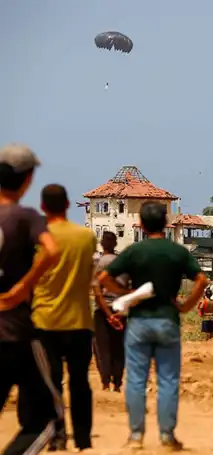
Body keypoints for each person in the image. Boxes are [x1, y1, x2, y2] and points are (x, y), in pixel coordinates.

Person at [98, 202, 208, 450]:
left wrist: (127, 294)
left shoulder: (134, 251)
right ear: (166, 223)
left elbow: (104, 278)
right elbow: (201, 280)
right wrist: (186, 305)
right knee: (168, 380)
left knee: (136, 379)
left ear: (141, 225)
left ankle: (136, 436)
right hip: (168, 320)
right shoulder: (177, 252)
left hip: (139, 321)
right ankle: (167, 436)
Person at [0, 143, 63, 455]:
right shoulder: (25, 217)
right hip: (15, 331)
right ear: (27, 179)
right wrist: (23, 287)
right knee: (47, 419)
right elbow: (51, 250)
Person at [31, 184, 97, 451]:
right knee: (80, 382)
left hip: (45, 320)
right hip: (80, 320)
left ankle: (57, 435)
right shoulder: (86, 236)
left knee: (52, 384)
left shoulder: (38, 237)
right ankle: (83, 439)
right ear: (68, 205)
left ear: (42, 207)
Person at [92, 232, 128, 393]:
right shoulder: (124, 264)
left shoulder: (98, 262)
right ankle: (117, 383)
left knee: (102, 348)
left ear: (102, 244)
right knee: (118, 347)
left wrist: (108, 314)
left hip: (102, 310)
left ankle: (105, 383)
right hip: (120, 310)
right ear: (115, 244)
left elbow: (97, 291)